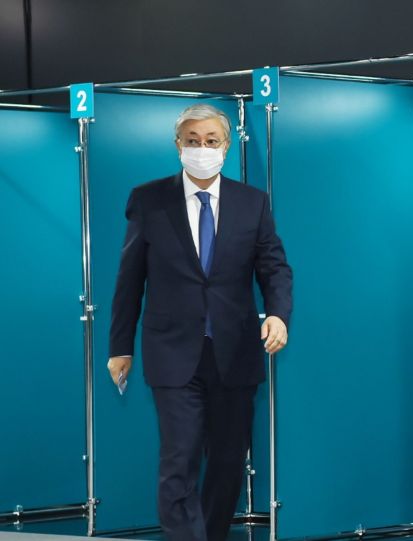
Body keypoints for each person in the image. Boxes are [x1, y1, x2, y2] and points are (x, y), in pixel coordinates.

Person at [106, 103, 292, 541]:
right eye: (192, 140)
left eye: (211, 141)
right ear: (178, 145)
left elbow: (274, 268)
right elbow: (129, 278)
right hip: (172, 351)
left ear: (226, 146)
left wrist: (278, 315)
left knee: (228, 462)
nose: (201, 148)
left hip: (234, 351)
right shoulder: (148, 200)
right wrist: (120, 347)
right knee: (179, 458)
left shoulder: (253, 203)